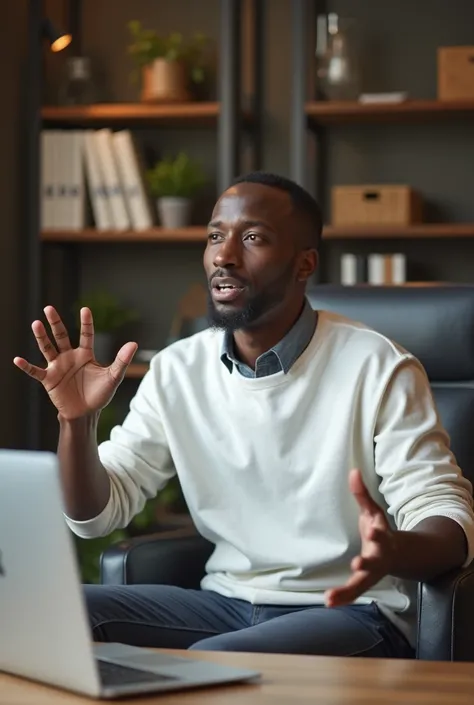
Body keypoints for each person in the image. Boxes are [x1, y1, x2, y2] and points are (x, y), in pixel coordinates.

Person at [15, 172, 474, 658]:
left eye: (252, 237)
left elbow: (444, 513)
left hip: (351, 613)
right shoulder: (177, 368)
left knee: (214, 665)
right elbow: (97, 515)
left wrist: (394, 552)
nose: (224, 256)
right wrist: (76, 424)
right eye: (215, 235)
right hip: (226, 603)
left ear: (305, 263)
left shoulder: (378, 366)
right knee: (41, 615)